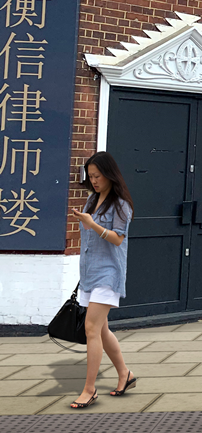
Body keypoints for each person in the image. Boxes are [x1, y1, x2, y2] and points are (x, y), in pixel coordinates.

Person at [69, 151, 136, 409]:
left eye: (97, 176)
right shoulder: (90, 202)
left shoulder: (121, 205)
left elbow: (117, 239)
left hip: (109, 273)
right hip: (89, 273)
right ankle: (125, 374)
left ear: (109, 174)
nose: (93, 181)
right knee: (102, 329)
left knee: (91, 329)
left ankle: (89, 389)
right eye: (91, 176)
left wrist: (92, 225)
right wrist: (87, 221)